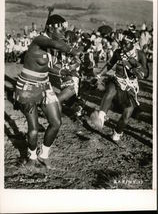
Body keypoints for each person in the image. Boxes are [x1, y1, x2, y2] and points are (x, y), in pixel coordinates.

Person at [14, 12, 80, 169]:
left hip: (45, 86)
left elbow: (48, 66)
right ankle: (31, 157)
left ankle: (43, 155)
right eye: (60, 30)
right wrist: (73, 50)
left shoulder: (51, 44)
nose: (62, 34)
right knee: (34, 129)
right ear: (50, 28)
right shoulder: (39, 40)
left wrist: (65, 72)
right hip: (27, 88)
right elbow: (57, 45)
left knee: (56, 122)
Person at [87, 30, 148, 142]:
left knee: (127, 114)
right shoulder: (118, 52)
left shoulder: (140, 54)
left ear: (133, 43)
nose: (123, 46)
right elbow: (109, 65)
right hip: (117, 80)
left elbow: (146, 73)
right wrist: (99, 75)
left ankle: (117, 133)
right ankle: (100, 118)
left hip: (131, 86)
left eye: (126, 44)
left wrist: (135, 64)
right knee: (110, 90)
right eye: (122, 43)